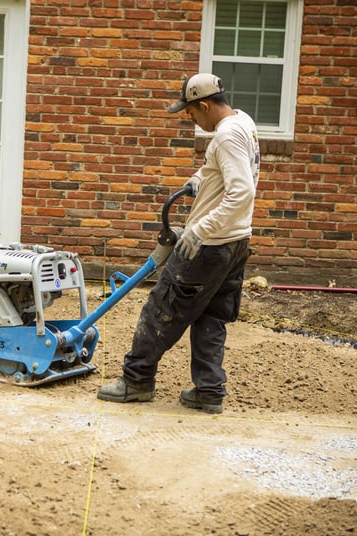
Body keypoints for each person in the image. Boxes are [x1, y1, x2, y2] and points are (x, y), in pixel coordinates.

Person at [97, 73, 260, 414]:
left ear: (204, 105)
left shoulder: (227, 136)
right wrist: (200, 178)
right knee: (210, 317)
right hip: (236, 243)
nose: (189, 118)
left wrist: (200, 230)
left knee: (161, 307)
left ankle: (136, 381)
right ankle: (209, 391)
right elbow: (229, 170)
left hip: (209, 245)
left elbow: (241, 191)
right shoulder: (242, 122)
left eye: (190, 112)